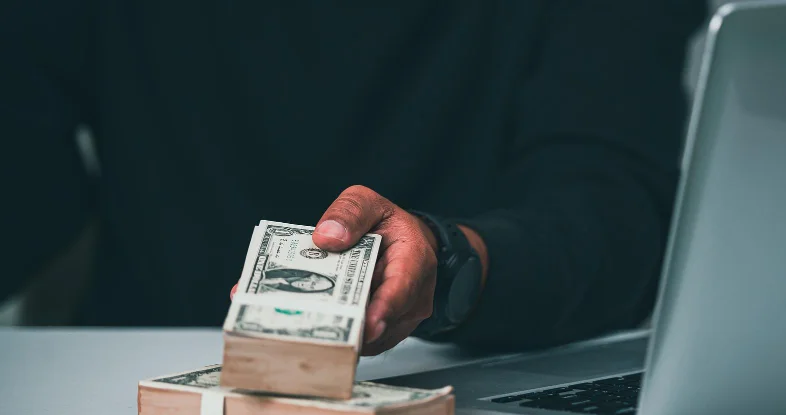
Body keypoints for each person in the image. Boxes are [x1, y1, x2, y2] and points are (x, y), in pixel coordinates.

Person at [0, 1, 706, 355]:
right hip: (122, 389)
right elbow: (33, 188)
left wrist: (451, 260)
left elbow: (616, 204)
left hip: (463, 386)